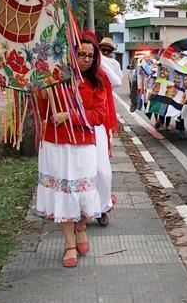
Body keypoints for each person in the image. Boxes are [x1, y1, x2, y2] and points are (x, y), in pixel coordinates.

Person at [36, 34, 106, 267]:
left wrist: (70, 116)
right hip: (54, 144)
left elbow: (98, 116)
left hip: (83, 145)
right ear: (71, 55)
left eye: (90, 56)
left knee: (84, 194)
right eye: (81, 54)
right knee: (62, 194)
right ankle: (69, 244)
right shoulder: (54, 79)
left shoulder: (97, 82)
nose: (85, 59)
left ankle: (82, 226)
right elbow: (42, 107)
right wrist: (41, 92)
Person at [96, 36, 122, 226]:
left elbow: (116, 82)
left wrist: (101, 61)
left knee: (103, 170)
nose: (105, 53)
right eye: (101, 49)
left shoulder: (109, 63)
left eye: (107, 50)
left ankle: (102, 207)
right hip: (80, 124)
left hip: (102, 120)